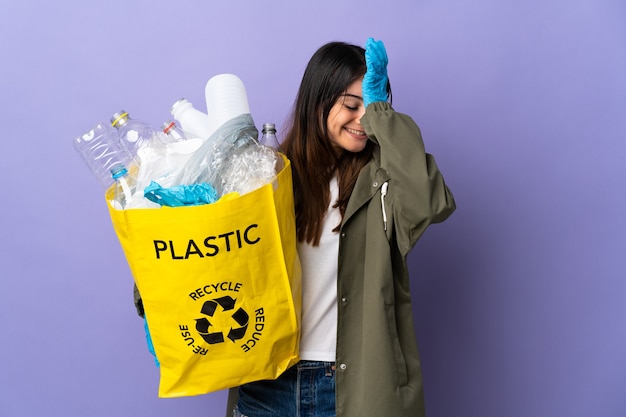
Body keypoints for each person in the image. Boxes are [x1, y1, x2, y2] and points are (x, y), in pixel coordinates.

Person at [227, 38, 456, 417]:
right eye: (352, 105)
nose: (363, 119)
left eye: (373, 105)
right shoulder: (265, 176)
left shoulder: (383, 180)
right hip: (267, 383)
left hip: (352, 387)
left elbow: (429, 201)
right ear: (317, 102)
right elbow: (212, 243)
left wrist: (383, 114)